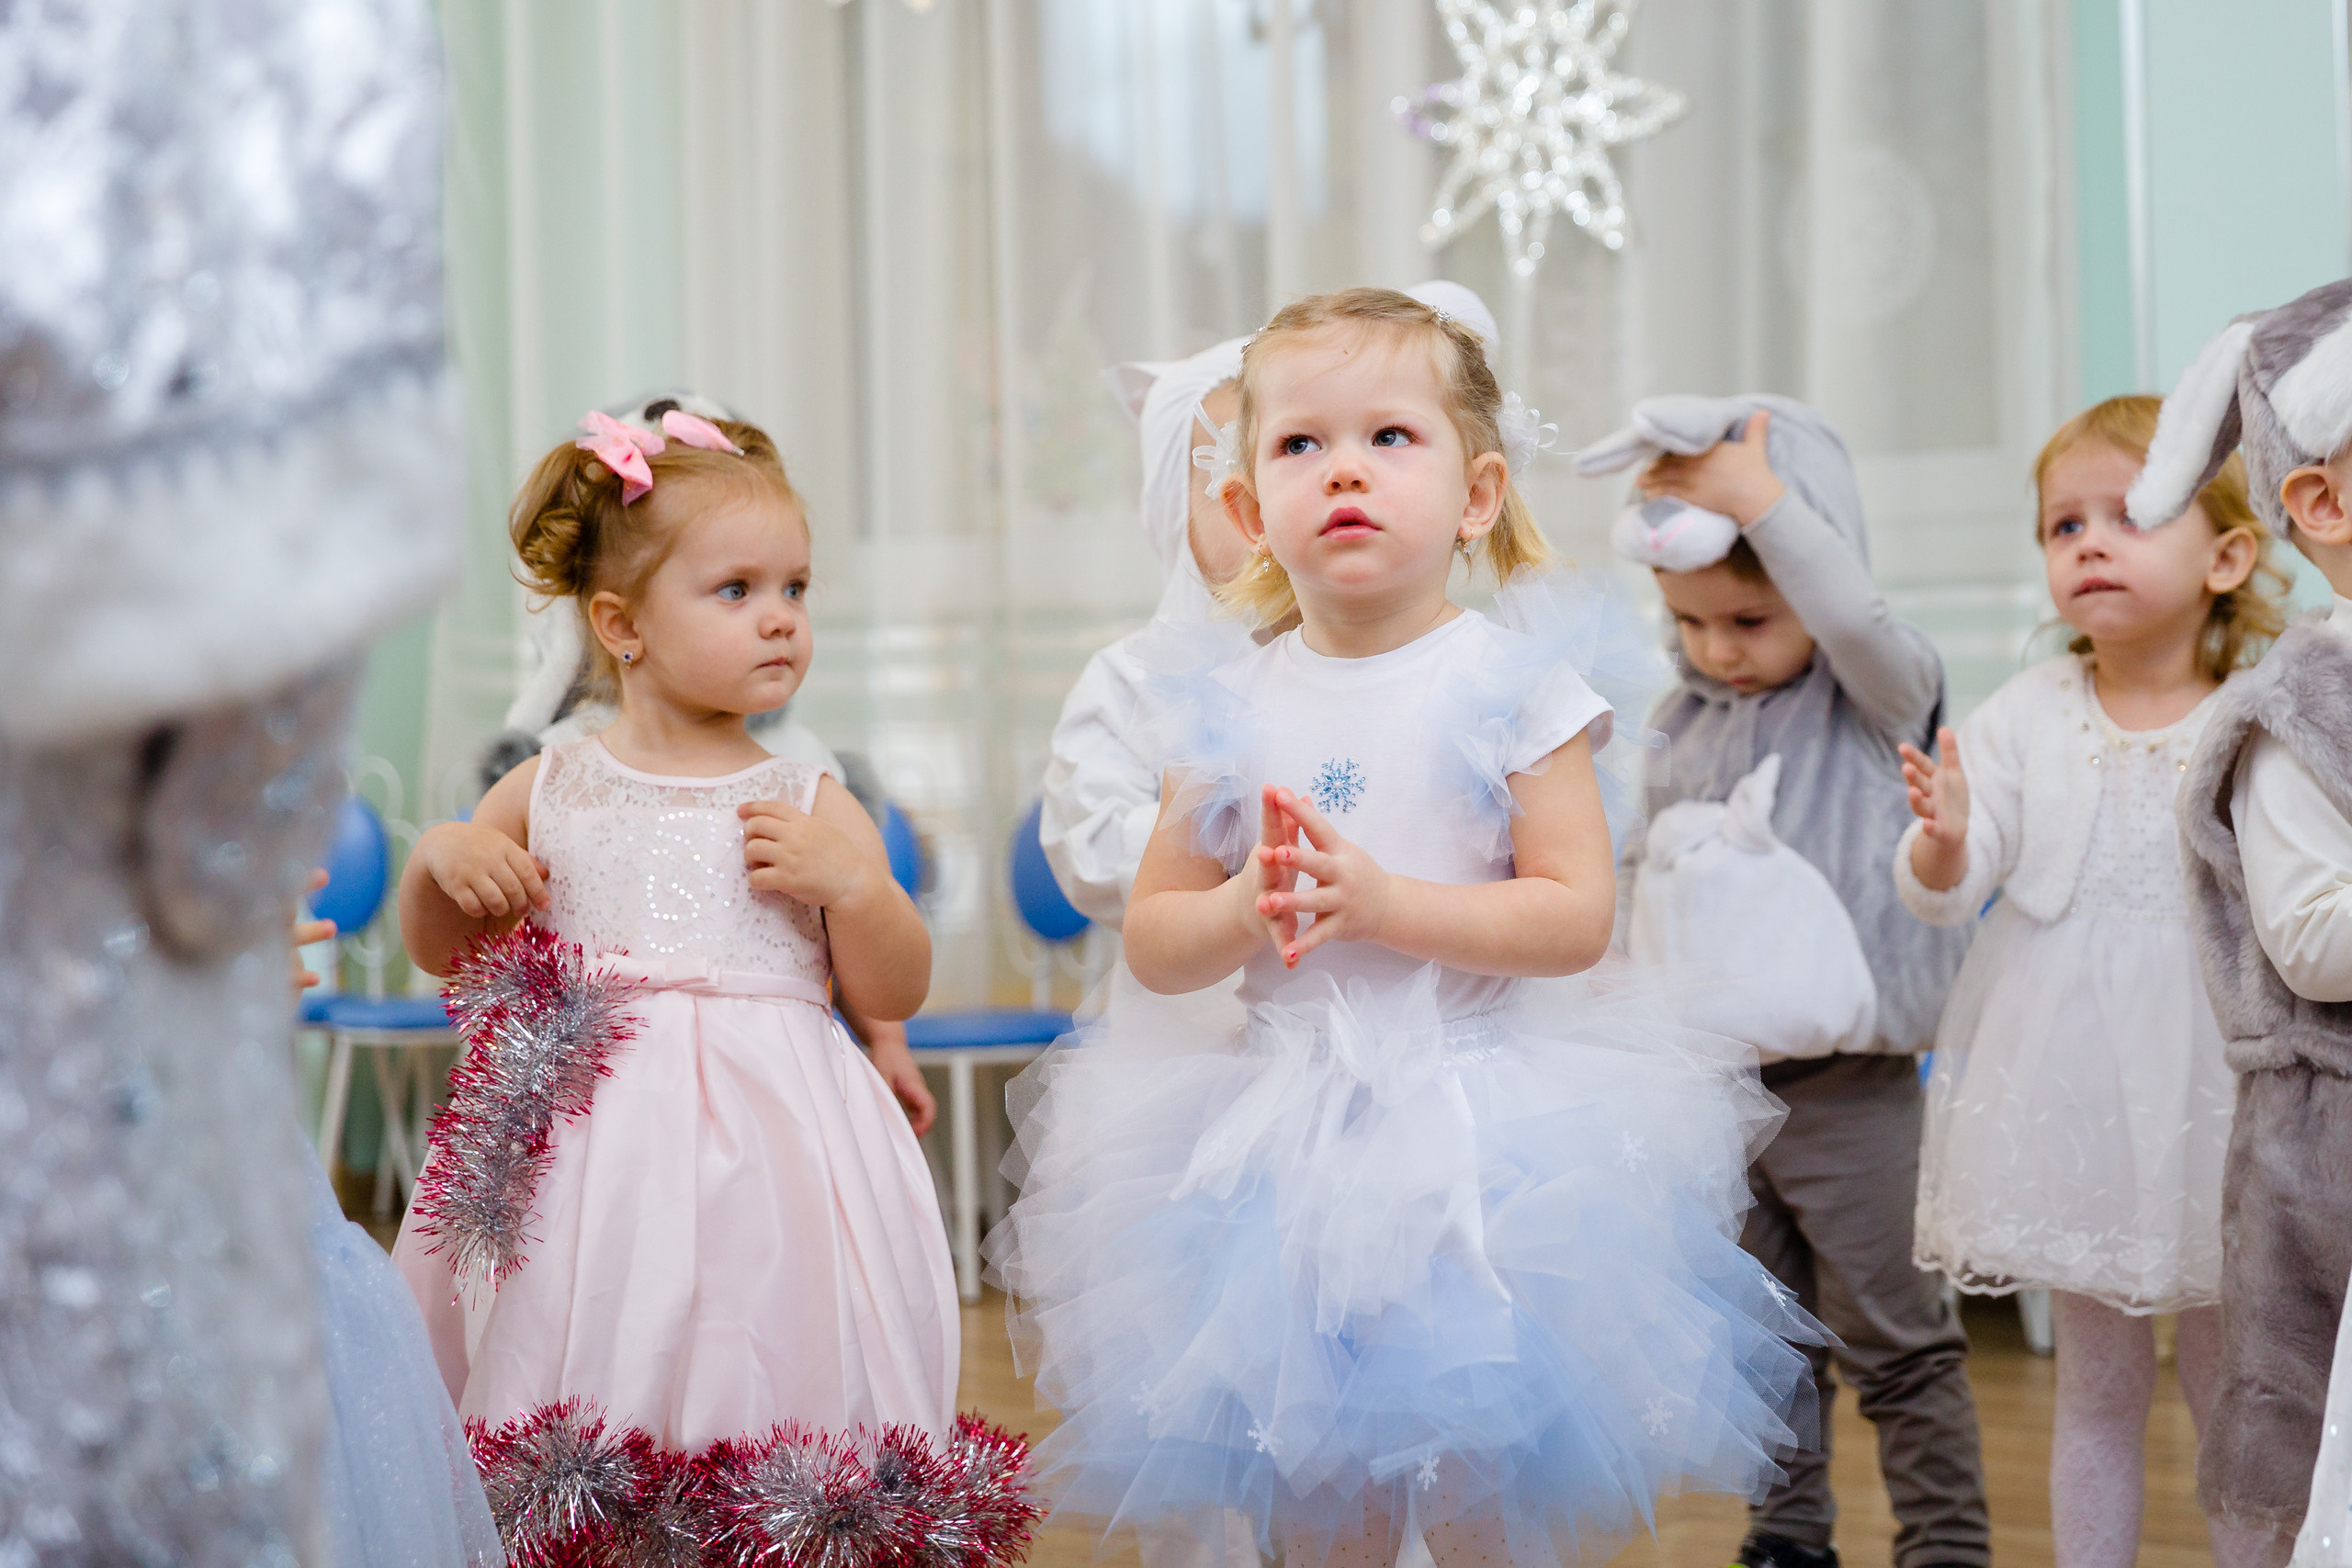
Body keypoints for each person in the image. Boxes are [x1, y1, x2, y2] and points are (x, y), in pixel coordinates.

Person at [989, 288, 1819, 1568]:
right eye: (1300, 444)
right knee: (1323, 1496)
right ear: (1251, 501)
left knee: (1479, 1484)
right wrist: (1235, 907)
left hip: (1478, 1143)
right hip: (1276, 1146)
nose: (1345, 473)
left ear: (1477, 493)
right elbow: (1155, 936)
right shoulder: (1221, 703)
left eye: (1391, 437)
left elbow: (1573, 913)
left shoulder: (1511, 689)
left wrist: (1387, 905)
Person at [388, 408, 956, 1506]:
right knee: (583, 1328)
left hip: (775, 1146)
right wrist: (438, 860)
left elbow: (897, 986)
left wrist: (859, 889)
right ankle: (580, 1505)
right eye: (737, 591)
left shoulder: (807, 798)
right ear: (621, 623)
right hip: (587, 1140)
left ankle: (759, 1511)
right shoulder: (553, 783)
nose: (782, 619)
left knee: (763, 1336)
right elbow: (438, 950)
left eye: (796, 589)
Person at [1584, 396, 1987, 1568]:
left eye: (1751, 619)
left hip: (1847, 1096)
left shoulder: (1872, 699)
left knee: (1900, 1341)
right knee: (1764, 1340)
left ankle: (1945, 1546)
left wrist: (1761, 501)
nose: (1719, 648)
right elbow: (1635, 860)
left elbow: (1854, 616)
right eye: (1691, 622)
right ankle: (1787, 1536)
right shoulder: (1679, 715)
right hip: (1715, 1097)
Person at [1896, 396, 2287, 1568]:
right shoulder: (2024, 714)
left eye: (2128, 515)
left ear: (2225, 554)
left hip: (2223, 1070)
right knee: (2099, 1379)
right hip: (2066, 1078)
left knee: (2242, 1376)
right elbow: (1942, 889)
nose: (2089, 543)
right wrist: (1948, 838)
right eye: (2063, 525)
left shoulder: (2263, 712)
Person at [2154, 278, 2352, 1568]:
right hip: (2330, 1137)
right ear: (2323, 503)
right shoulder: (2297, 712)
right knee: (2312, 1434)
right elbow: (2314, 939)